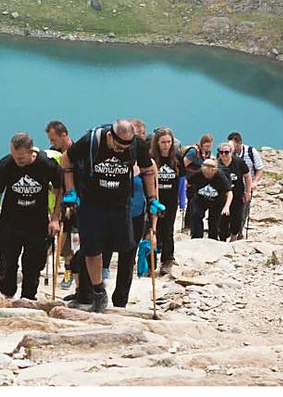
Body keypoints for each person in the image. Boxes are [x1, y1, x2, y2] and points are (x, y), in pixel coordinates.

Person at [62, 119, 159, 312]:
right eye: (118, 145)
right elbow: (67, 159)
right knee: (91, 249)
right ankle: (98, 291)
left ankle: (120, 297)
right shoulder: (92, 141)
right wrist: (70, 191)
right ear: (110, 136)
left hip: (121, 204)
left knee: (126, 248)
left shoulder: (136, 145)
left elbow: (148, 170)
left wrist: (152, 199)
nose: (122, 150)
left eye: (126, 146)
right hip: (91, 202)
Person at [0, 133, 62, 300]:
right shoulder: (5, 165)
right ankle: (7, 296)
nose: (17, 161)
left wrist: (55, 218)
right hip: (10, 223)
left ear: (31, 152)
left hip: (36, 224)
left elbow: (60, 190)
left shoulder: (46, 164)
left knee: (32, 266)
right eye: (14, 156)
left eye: (21, 158)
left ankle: (28, 300)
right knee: (7, 265)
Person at [45, 120, 76, 290]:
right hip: (56, 201)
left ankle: (70, 271)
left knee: (72, 238)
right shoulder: (53, 155)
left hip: (75, 201)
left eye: (53, 139)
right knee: (60, 238)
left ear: (63, 135)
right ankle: (64, 269)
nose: (51, 143)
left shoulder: (77, 151)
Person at [150, 127, 185, 274]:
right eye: (163, 142)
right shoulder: (151, 157)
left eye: (169, 141)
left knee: (168, 230)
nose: (166, 145)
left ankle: (167, 260)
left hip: (170, 200)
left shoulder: (177, 158)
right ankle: (149, 261)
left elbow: (182, 180)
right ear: (157, 143)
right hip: (154, 199)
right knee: (152, 229)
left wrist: (182, 201)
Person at [228, 132, 265, 239]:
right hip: (231, 186)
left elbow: (259, 168)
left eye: (233, 145)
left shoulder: (251, 152)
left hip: (246, 186)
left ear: (239, 143)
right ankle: (228, 230)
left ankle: (238, 232)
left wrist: (254, 182)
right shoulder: (228, 154)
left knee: (242, 210)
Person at [186, 158, 232, 240]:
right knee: (196, 215)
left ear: (214, 171)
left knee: (214, 220)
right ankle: (197, 237)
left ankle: (213, 238)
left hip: (217, 200)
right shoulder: (198, 173)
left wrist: (226, 206)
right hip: (200, 198)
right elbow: (187, 183)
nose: (206, 175)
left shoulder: (220, 176)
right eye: (205, 173)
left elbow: (229, 193)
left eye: (209, 174)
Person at [216, 142, 251, 241]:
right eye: (221, 152)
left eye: (226, 152)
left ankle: (234, 238)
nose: (223, 155)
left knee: (236, 217)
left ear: (231, 152)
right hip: (222, 196)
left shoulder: (239, 162)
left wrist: (248, 192)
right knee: (222, 219)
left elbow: (247, 176)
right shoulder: (216, 164)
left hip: (237, 195)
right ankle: (222, 238)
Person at [182, 133, 213, 230]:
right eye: (206, 146)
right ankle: (188, 225)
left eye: (210, 146)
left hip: (200, 182)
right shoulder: (193, 152)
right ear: (202, 144)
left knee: (196, 201)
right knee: (191, 201)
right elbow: (183, 165)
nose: (208, 148)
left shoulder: (207, 153)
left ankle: (192, 224)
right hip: (190, 180)